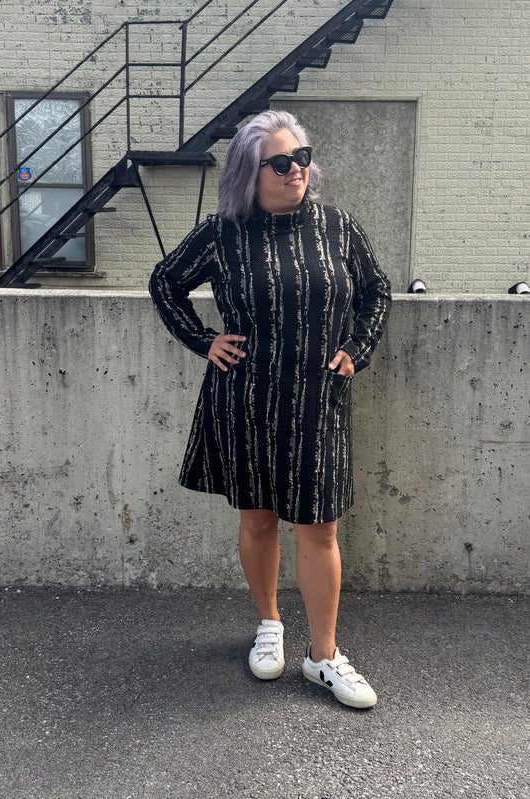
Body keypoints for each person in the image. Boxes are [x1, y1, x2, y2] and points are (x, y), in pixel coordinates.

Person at [149, 110, 391, 709]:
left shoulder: (338, 227)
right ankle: (269, 624)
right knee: (257, 519)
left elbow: (376, 292)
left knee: (320, 527)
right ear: (248, 174)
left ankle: (324, 657)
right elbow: (164, 282)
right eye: (281, 163)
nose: (296, 172)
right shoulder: (223, 232)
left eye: (303, 159)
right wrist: (203, 339)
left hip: (317, 400)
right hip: (247, 399)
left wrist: (356, 351)